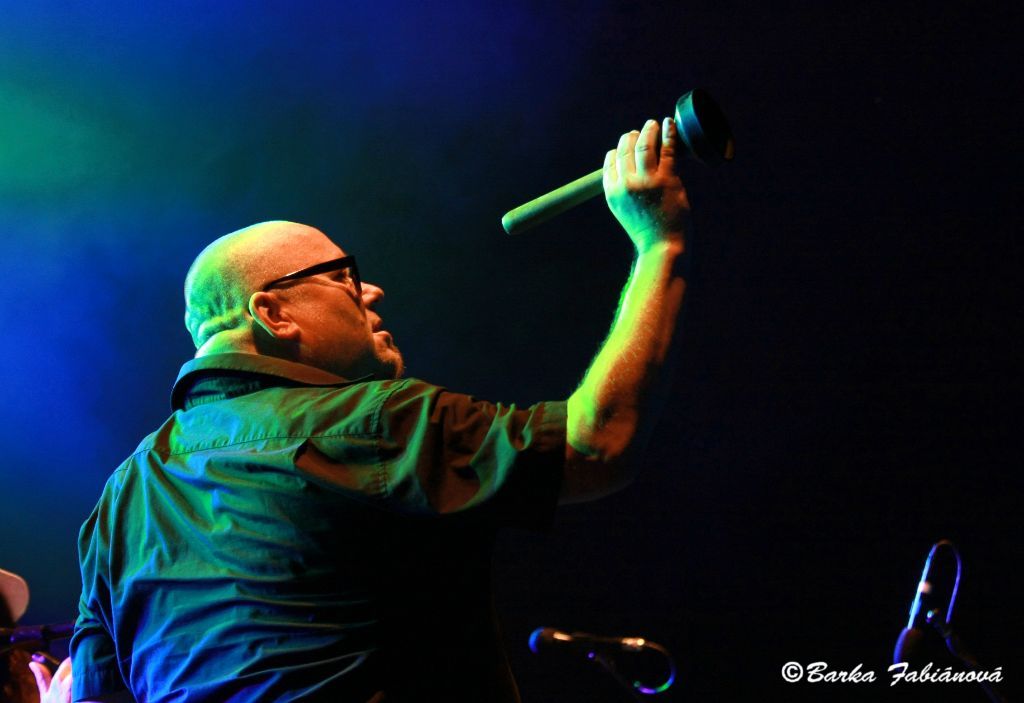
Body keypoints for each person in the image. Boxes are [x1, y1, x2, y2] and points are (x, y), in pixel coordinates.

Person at [71, 117, 692, 702]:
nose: (372, 291)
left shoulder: (120, 500)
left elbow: (95, 692)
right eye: (343, 275)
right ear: (273, 314)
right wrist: (658, 245)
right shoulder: (370, 422)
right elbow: (595, 444)